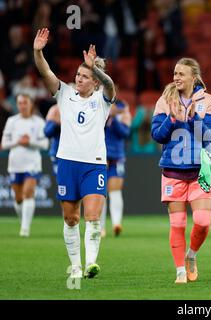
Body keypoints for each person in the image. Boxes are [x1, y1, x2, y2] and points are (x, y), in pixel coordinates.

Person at [33, 28, 116, 280]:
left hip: (94, 165)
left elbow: (111, 85)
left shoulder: (103, 99)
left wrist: (96, 67)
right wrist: (38, 51)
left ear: (95, 81)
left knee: (92, 216)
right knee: (71, 219)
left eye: (84, 76)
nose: (78, 79)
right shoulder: (64, 94)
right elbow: (45, 72)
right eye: (78, 75)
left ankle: (91, 263)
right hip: (67, 163)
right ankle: (76, 266)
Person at [151, 57, 211, 284]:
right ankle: (180, 271)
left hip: (200, 171)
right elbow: (157, 135)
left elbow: (209, 136)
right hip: (172, 171)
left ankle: (191, 255)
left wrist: (194, 120)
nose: (176, 77)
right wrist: (171, 119)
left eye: (181, 74)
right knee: (177, 224)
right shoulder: (165, 100)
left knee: (202, 221)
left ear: (194, 77)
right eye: (175, 73)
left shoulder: (207, 101)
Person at [1, 93, 49, 237]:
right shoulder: (12, 121)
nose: (22, 105)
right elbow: (4, 144)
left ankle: (25, 228)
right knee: (18, 198)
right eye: (20, 103)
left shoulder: (39, 122)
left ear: (31, 104)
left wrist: (30, 142)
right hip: (15, 163)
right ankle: (23, 221)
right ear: (17, 105)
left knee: (28, 193)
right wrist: (18, 141)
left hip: (32, 163)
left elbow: (45, 144)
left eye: (25, 103)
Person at [100, 99, 131, 237]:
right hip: (100, 156)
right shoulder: (98, 110)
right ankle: (100, 227)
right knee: (100, 192)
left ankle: (116, 224)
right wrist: (107, 116)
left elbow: (124, 133)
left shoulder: (123, 110)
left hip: (117, 157)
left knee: (115, 190)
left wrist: (113, 117)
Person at [44, 104, 61, 177]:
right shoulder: (55, 109)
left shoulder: (80, 106)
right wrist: (56, 123)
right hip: (57, 152)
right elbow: (47, 132)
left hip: (75, 153)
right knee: (61, 179)